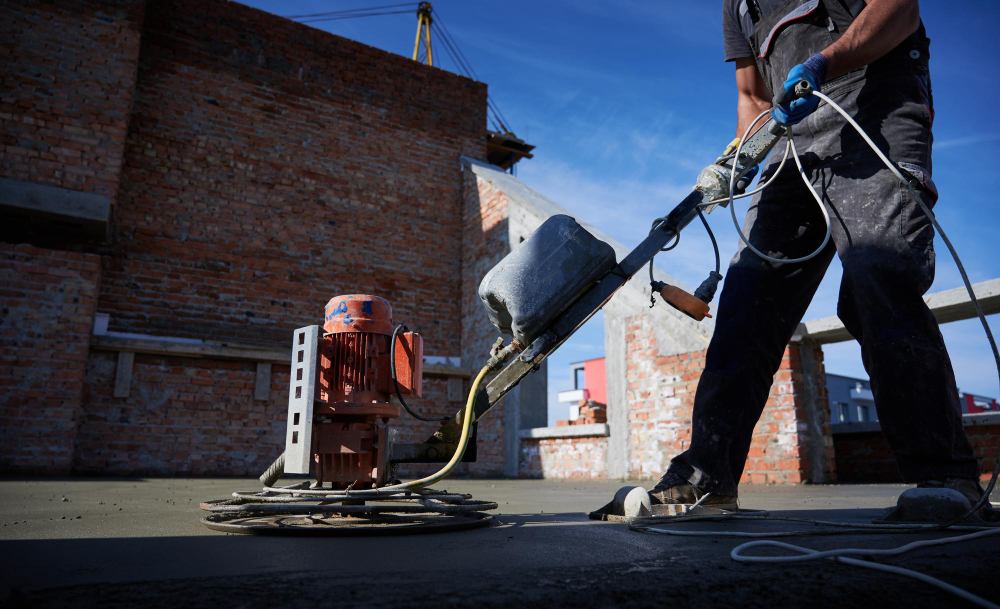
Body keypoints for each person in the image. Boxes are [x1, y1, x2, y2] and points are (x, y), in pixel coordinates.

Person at [649, 0, 984, 510]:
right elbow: (752, 95)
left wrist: (826, 63)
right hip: (790, 142)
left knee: (879, 277)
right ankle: (707, 476)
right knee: (747, 302)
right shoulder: (738, 5)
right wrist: (740, 157)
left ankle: (945, 477)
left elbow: (900, 10)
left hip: (874, 107)